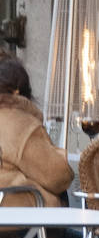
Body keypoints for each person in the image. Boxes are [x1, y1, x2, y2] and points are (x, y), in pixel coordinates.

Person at [0, 57, 74, 209]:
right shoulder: (18, 121)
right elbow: (58, 177)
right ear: (17, 92)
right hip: (20, 219)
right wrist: (59, 154)